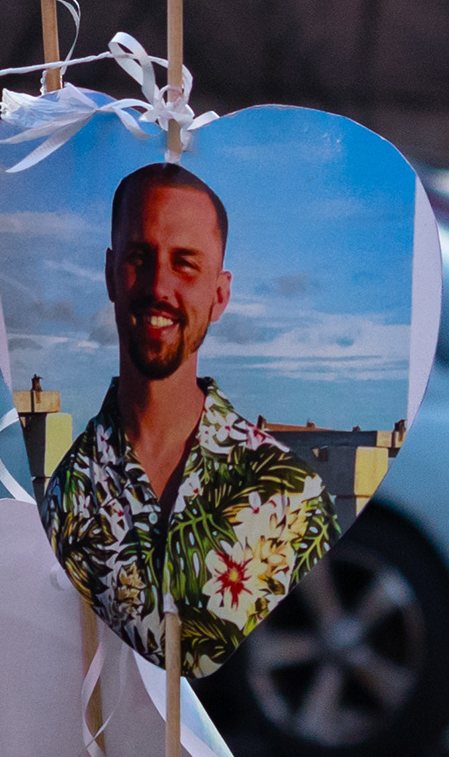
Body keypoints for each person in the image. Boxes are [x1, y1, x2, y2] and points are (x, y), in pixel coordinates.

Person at [45, 159, 334, 681]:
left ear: (219, 294)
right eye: (140, 258)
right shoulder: (65, 492)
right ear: (111, 274)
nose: (159, 286)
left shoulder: (288, 490)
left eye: (185, 264)